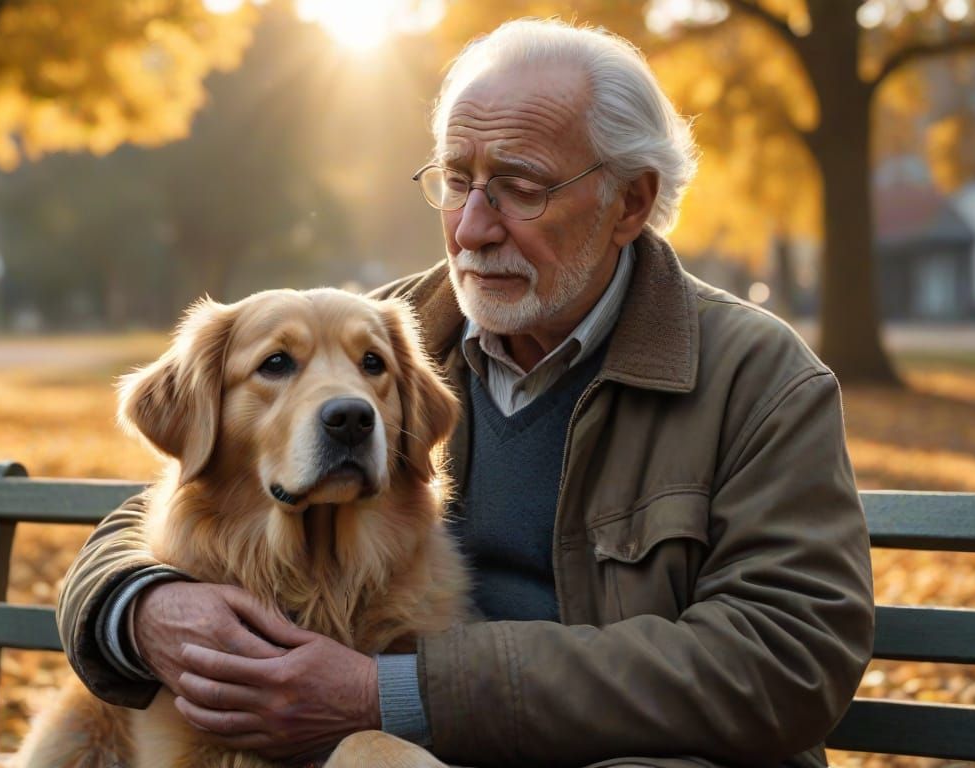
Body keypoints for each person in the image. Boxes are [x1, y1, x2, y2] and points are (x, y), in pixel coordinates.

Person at [56, 18, 874, 768]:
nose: (473, 228)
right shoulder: (393, 332)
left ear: (630, 202)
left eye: (520, 187)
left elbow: (786, 660)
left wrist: (395, 693)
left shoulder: (759, 379)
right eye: (456, 180)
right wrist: (140, 606)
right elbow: (178, 498)